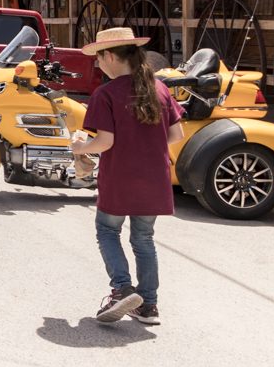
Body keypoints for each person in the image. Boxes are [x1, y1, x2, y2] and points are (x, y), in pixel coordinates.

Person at [71, 27, 184, 325]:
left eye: (98, 58)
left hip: (120, 177)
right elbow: (176, 134)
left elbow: (105, 142)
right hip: (155, 178)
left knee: (107, 231)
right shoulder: (159, 89)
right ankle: (148, 305)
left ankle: (122, 289)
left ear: (109, 56)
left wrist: (81, 146)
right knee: (143, 239)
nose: (97, 64)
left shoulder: (106, 93)